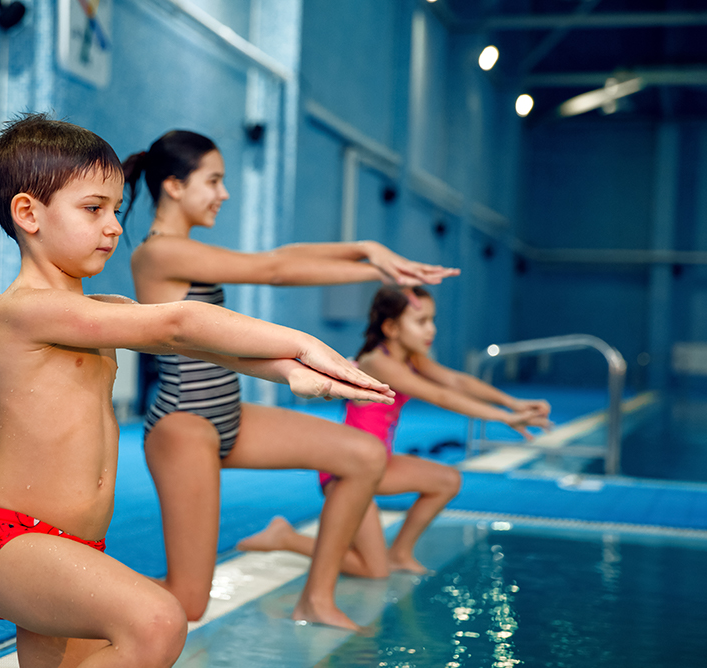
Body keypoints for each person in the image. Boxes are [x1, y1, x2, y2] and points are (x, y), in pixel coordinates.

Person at [0, 114, 398, 667]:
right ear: (28, 214)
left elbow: (202, 349)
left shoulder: (100, 312)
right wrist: (303, 343)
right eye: (94, 209)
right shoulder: (17, 313)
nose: (115, 226)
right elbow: (178, 324)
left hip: (76, 547)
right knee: (159, 620)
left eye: (116, 210)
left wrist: (288, 371)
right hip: (13, 541)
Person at [123, 130, 460, 630]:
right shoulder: (158, 254)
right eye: (213, 181)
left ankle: (316, 600)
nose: (224, 193)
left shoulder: (187, 249)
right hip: (184, 425)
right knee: (188, 600)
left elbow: (282, 255)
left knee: (363, 455)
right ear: (173, 186)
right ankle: (71, 596)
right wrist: (374, 270)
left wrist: (365, 249)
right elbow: (274, 269)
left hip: (229, 414)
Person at [239, 286, 553, 577]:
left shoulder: (411, 358)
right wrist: (503, 417)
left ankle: (401, 552)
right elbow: (439, 396)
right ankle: (286, 537)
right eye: (421, 321)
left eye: (432, 320)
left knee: (447, 480)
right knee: (373, 571)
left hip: (380, 462)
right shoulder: (378, 362)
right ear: (391, 328)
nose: (431, 329)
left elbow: (457, 382)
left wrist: (514, 404)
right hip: (347, 469)